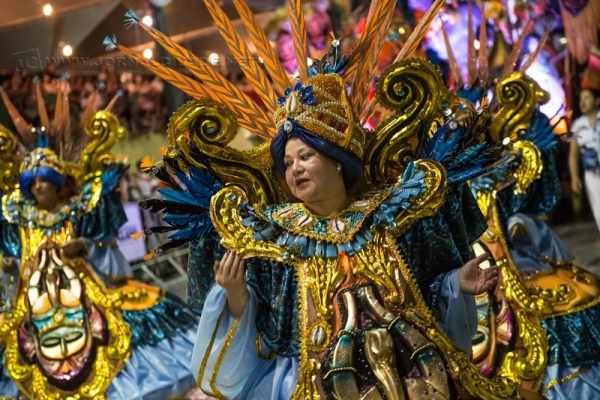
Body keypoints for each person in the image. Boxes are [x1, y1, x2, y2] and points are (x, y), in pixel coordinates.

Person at [111, 2, 553, 398]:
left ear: (338, 162)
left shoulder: (387, 218)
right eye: (288, 163)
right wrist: (235, 293)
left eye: (306, 156)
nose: (296, 169)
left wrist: (458, 282)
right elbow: (270, 335)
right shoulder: (277, 240)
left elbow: (425, 298)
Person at [0, 86, 198, 399]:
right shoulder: (19, 223)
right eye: (32, 183)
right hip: (37, 307)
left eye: (44, 181)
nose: (38, 187)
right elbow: (12, 268)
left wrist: (85, 248)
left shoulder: (78, 214)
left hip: (87, 296)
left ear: (57, 185)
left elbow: (108, 253)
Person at [569, 89, 600, 233]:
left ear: (597, 101)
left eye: (587, 98)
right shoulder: (576, 126)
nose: (582, 102)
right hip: (592, 175)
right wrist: (574, 178)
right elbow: (573, 155)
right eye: (581, 99)